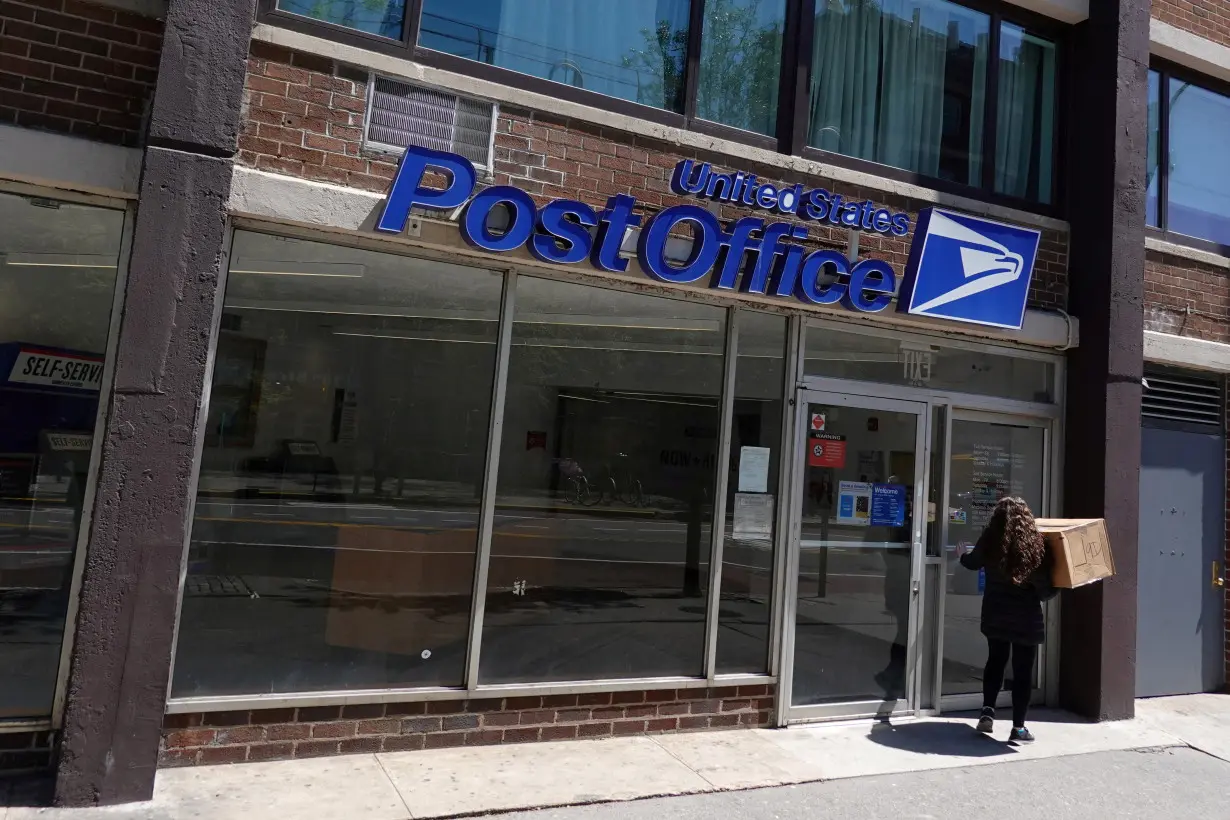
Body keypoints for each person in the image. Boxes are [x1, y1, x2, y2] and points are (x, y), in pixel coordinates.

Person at [958, 496, 1057, 742]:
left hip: (996, 613)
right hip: (1026, 619)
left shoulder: (990, 540)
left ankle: (987, 713)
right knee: (1023, 673)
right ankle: (1018, 728)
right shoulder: (1037, 546)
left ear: (997, 518)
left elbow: (972, 563)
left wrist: (962, 555)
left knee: (995, 662)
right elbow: (1046, 591)